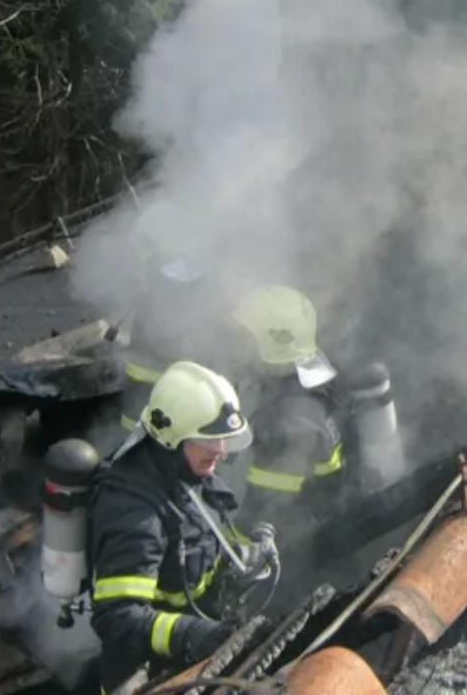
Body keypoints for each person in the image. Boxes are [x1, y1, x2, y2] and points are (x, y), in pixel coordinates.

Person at [88, 361, 255, 692]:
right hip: (144, 677)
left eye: (221, 439)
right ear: (171, 438)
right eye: (208, 441)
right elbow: (119, 618)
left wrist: (240, 557)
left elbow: (201, 540)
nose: (220, 451)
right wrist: (193, 635)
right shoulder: (135, 514)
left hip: (196, 660)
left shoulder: (188, 473)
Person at [229, 286, 350, 529]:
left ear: (272, 348)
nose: (236, 345)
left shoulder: (286, 426)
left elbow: (260, 520)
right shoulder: (304, 383)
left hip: (295, 542)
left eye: (246, 339)